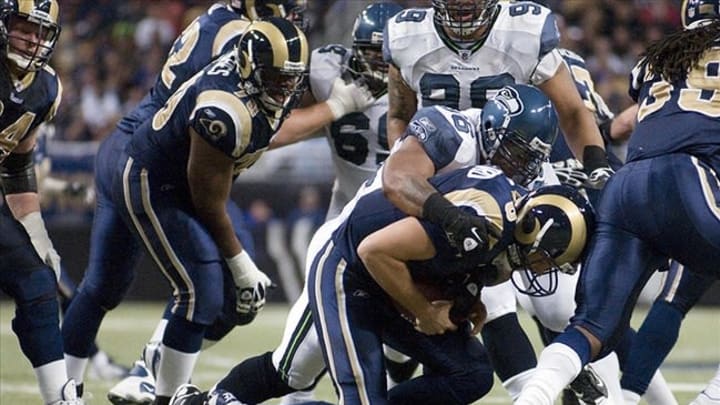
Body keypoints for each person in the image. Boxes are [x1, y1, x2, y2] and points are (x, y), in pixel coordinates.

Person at [167, 82, 562, 405]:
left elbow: (463, 250)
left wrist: (464, 293)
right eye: (514, 153)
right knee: (294, 370)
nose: (518, 167)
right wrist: (449, 220)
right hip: (355, 256)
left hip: (410, 266)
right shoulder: (449, 131)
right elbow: (397, 182)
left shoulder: (505, 189)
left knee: (471, 372)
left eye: (529, 160)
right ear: (492, 131)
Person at [60, 2, 310, 403]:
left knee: (104, 287)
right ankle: (152, 380)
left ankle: (99, 384)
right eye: (285, 6)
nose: (292, 17)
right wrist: (240, 263)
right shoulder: (237, 65)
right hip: (165, 164)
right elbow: (230, 142)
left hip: (139, 141)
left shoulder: (227, 27)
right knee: (214, 289)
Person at [382, 1, 615, 397]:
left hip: (523, 175)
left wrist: (597, 165)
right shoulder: (407, 36)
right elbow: (399, 115)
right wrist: (411, 162)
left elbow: (573, 111)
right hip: (452, 187)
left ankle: (594, 385)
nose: (463, 11)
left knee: (561, 306)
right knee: (493, 305)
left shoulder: (524, 28)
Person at [515, 0, 720, 403]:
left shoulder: (660, 58)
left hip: (626, 186)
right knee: (673, 298)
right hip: (687, 180)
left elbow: (628, 123)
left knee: (592, 327)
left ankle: (534, 397)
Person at [306, 168, 594, 405]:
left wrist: (469, 296)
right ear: (536, 233)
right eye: (550, 260)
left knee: (470, 373)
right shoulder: (489, 224)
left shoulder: (508, 227)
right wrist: (424, 311)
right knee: (336, 388)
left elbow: (446, 262)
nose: (547, 269)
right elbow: (373, 251)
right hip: (348, 266)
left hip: (390, 278)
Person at [0, 0, 82, 404]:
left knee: (37, 281)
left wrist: (36, 232)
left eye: (39, 32)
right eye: (22, 26)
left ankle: (60, 397)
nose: (31, 38)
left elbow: (17, 165)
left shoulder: (44, 88)